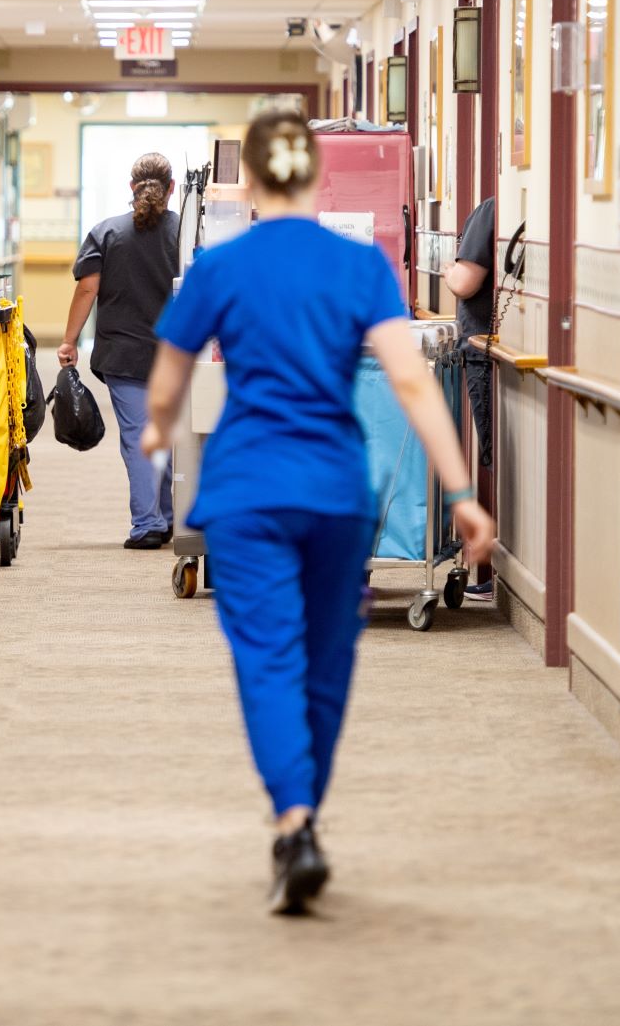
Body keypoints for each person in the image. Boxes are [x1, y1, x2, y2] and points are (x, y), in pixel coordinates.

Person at [140, 112, 494, 915]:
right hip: (337, 494)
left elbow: (165, 387)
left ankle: (294, 819)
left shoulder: (218, 268)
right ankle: (304, 813)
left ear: (254, 182)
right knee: (328, 665)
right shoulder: (362, 265)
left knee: (268, 657)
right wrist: (462, 491)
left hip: (249, 494)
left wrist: (160, 430)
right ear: (313, 178)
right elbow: (409, 382)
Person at [59, 153, 181, 549]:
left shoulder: (107, 233)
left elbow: (87, 289)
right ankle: (168, 516)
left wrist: (69, 340)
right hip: (177, 355)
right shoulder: (188, 231)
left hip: (124, 356)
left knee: (138, 437)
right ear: (173, 189)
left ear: (132, 189)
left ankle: (148, 524)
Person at [445, 196, 497, 602]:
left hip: (482, 350)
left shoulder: (489, 209)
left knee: (491, 452)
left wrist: (449, 270)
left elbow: (464, 281)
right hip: (490, 349)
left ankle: (492, 569)